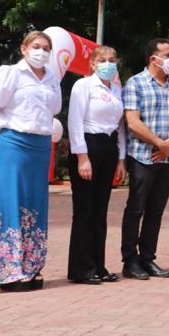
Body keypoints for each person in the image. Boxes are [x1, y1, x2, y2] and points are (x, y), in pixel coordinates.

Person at [0, 31, 62, 291]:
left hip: (40, 146)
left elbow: (53, 111)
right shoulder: (10, 73)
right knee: (11, 202)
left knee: (35, 204)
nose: (42, 51)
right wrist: (3, 133)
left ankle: (32, 266)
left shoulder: (52, 78)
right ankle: (8, 271)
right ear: (24, 49)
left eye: (47, 48)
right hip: (14, 142)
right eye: (37, 46)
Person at [121, 38, 169, 280]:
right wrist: (159, 143)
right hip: (143, 157)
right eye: (168, 54)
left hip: (167, 159)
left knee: (156, 211)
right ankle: (130, 260)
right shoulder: (135, 83)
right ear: (153, 58)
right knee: (136, 209)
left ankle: (148, 259)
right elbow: (133, 122)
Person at [67, 46, 127, 285]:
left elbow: (120, 126)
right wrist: (82, 157)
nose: (108, 64)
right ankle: (82, 268)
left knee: (100, 212)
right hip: (88, 146)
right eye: (102, 60)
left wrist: (121, 159)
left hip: (109, 148)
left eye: (112, 60)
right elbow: (74, 122)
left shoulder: (116, 90)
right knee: (85, 211)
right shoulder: (83, 86)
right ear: (92, 64)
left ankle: (98, 265)